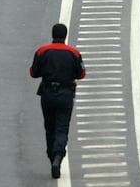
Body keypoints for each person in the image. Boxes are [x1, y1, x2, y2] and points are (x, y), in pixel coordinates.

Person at [29, 23, 86, 179]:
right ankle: (58, 157)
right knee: (62, 128)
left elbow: (33, 72)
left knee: (50, 127)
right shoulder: (74, 53)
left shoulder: (42, 51)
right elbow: (81, 74)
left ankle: (51, 156)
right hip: (66, 95)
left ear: (52, 35)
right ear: (65, 35)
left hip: (47, 94)